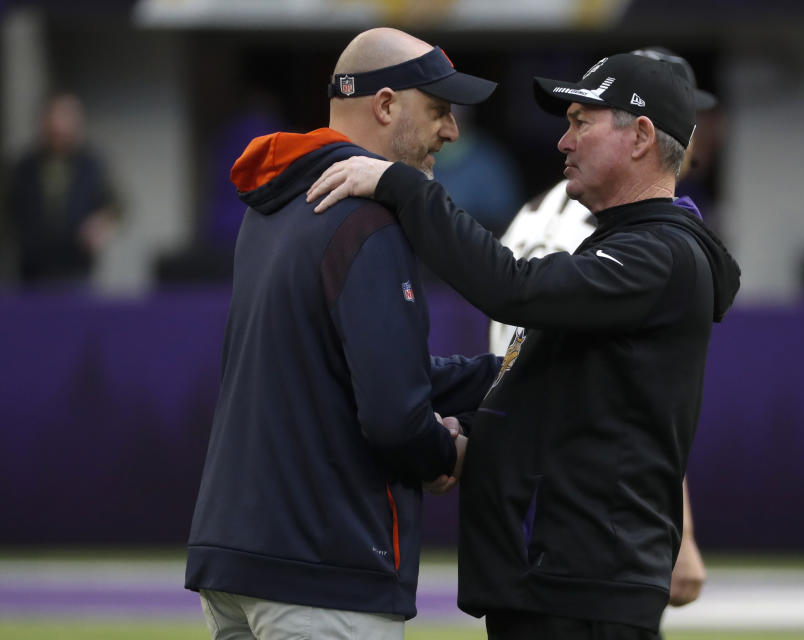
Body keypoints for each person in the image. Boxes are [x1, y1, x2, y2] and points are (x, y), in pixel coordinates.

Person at [308, 51, 741, 639]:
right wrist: (423, 407)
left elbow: (513, 289)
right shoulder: (629, 246)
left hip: (584, 586)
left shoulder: (659, 253)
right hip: (555, 580)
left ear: (641, 136)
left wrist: (403, 187)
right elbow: (531, 380)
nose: (563, 143)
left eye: (581, 122)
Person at [184, 28, 502, 640]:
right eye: (438, 110)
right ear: (385, 106)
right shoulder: (368, 214)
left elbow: (339, 371)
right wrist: (447, 453)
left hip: (235, 556)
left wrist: (496, 376)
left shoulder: (272, 204)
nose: (452, 130)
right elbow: (393, 416)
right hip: (323, 566)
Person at [488, 48, 716, 619]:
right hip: (574, 512)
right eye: (684, 116)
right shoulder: (615, 223)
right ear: (647, 132)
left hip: (527, 475)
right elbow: (630, 395)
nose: (690, 140)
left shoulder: (544, 208)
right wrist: (681, 533)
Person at [4, 92, 119, 286]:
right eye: (54, 117)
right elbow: (8, 210)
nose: (59, 124)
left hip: (78, 265)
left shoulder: (92, 165)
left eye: (66, 117)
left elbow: (117, 204)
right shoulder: (23, 166)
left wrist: (101, 223)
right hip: (32, 267)